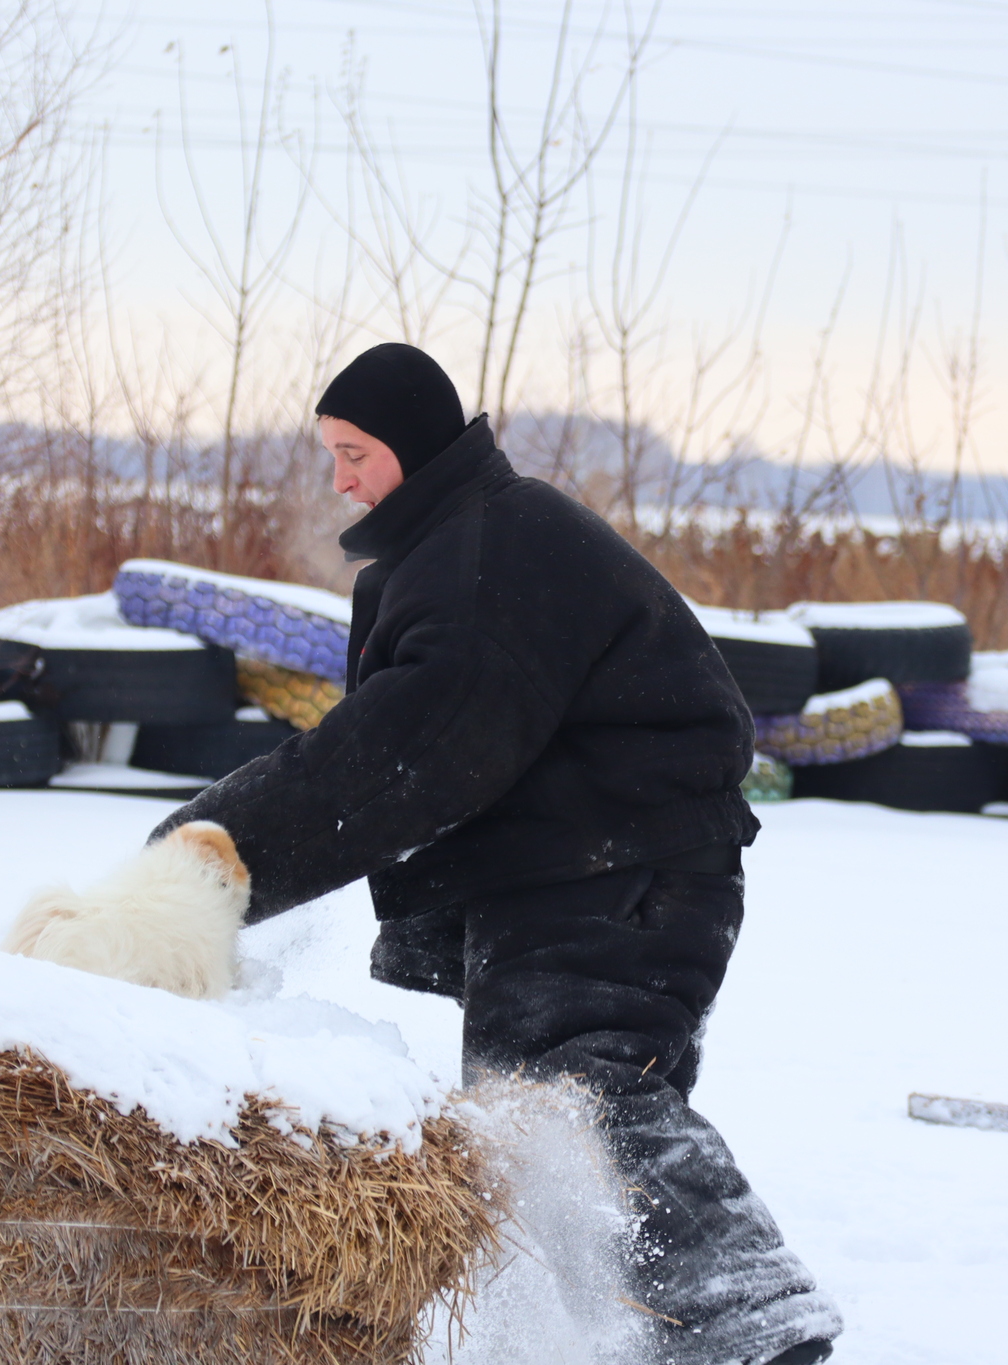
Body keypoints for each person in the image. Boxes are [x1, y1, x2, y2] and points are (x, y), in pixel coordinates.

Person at [151, 343, 842, 1364]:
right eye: (330, 455)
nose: (339, 479)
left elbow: (404, 753)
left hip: (617, 873)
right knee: (540, 1128)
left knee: (578, 1104)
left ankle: (751, 1323)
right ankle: (661, 1339)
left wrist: (211, 861)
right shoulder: (455, 543)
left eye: (354, 452)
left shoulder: (482, 549)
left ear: (414, 446)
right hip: (580, 872)